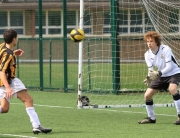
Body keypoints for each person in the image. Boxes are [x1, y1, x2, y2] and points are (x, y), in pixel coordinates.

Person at [0, 29, 52, 134]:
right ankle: (36, 126)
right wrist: (8, 87)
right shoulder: (8, 54)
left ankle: (37, 125)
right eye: (17, 37)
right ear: (14, 39)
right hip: (8, 81)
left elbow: (3, 57)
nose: (17, 39)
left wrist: (14, 53)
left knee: (4, 108)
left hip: (2, 82)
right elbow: (1, 71)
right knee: (28, 100)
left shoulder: (2, 46)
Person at [138, 31, 180, 125]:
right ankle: (151, 118)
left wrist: (158, 73)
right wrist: (149, 77)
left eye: (151, 41)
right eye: (147, 41)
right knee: (147, 96)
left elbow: (169, 67)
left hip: (174, 72)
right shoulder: (147, 54)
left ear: (156, 41)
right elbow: (151, 70)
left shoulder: (166, 49)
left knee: (172, 89)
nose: (149, 43)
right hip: (161, 74)